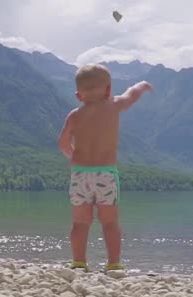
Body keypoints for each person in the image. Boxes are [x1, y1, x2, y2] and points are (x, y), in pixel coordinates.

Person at [58, 63, 153, 272]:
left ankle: (79, 263)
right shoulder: (113, 105)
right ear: (109, 89)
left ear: (78, 95)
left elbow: (63, 142)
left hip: (80, 174)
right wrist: (141, 85)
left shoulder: (74, 115)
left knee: (80, 223)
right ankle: (113, 264)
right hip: (105, 174)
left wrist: (74, 157)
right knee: (109, 223)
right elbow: (131, 96)